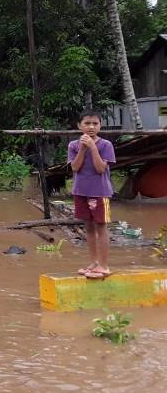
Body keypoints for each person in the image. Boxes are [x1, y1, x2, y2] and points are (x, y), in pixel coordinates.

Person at [67, 109, 116, 279]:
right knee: (88, 228)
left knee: (101, 227)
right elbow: (75, 167)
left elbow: (100, 168)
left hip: (101, 193)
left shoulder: (106, 145)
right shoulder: (73, 145)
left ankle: (104, 266)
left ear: (100, 126)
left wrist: (93, 148)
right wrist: (82, 148)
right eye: (87, 123)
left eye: (95, 123)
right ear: (79, 126)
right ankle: (94, 262)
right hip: (81, 192)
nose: (91, 127)